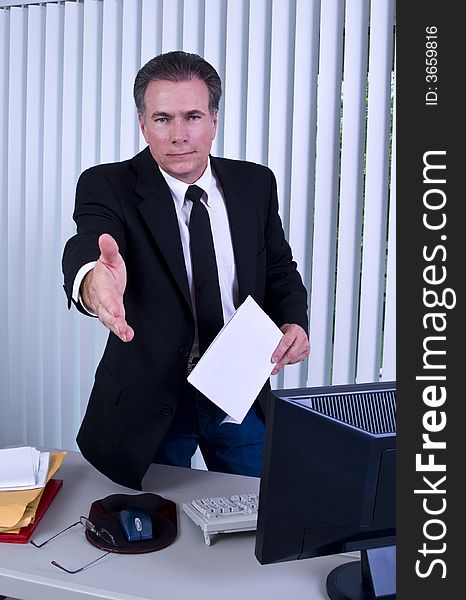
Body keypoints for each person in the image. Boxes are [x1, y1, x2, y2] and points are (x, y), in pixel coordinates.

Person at [62, 51, 310, 490]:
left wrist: (293, 320)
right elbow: (89, 242)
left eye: (192, 116)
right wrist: (92, 281)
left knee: (255, 521)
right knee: (146, 535)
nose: (179, 135)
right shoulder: (107, 184)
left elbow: (277, 266)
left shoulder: (256, 183)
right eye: (162, 119)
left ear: (214, 120)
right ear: (143, 124)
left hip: (238, 391)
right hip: (152, 398)